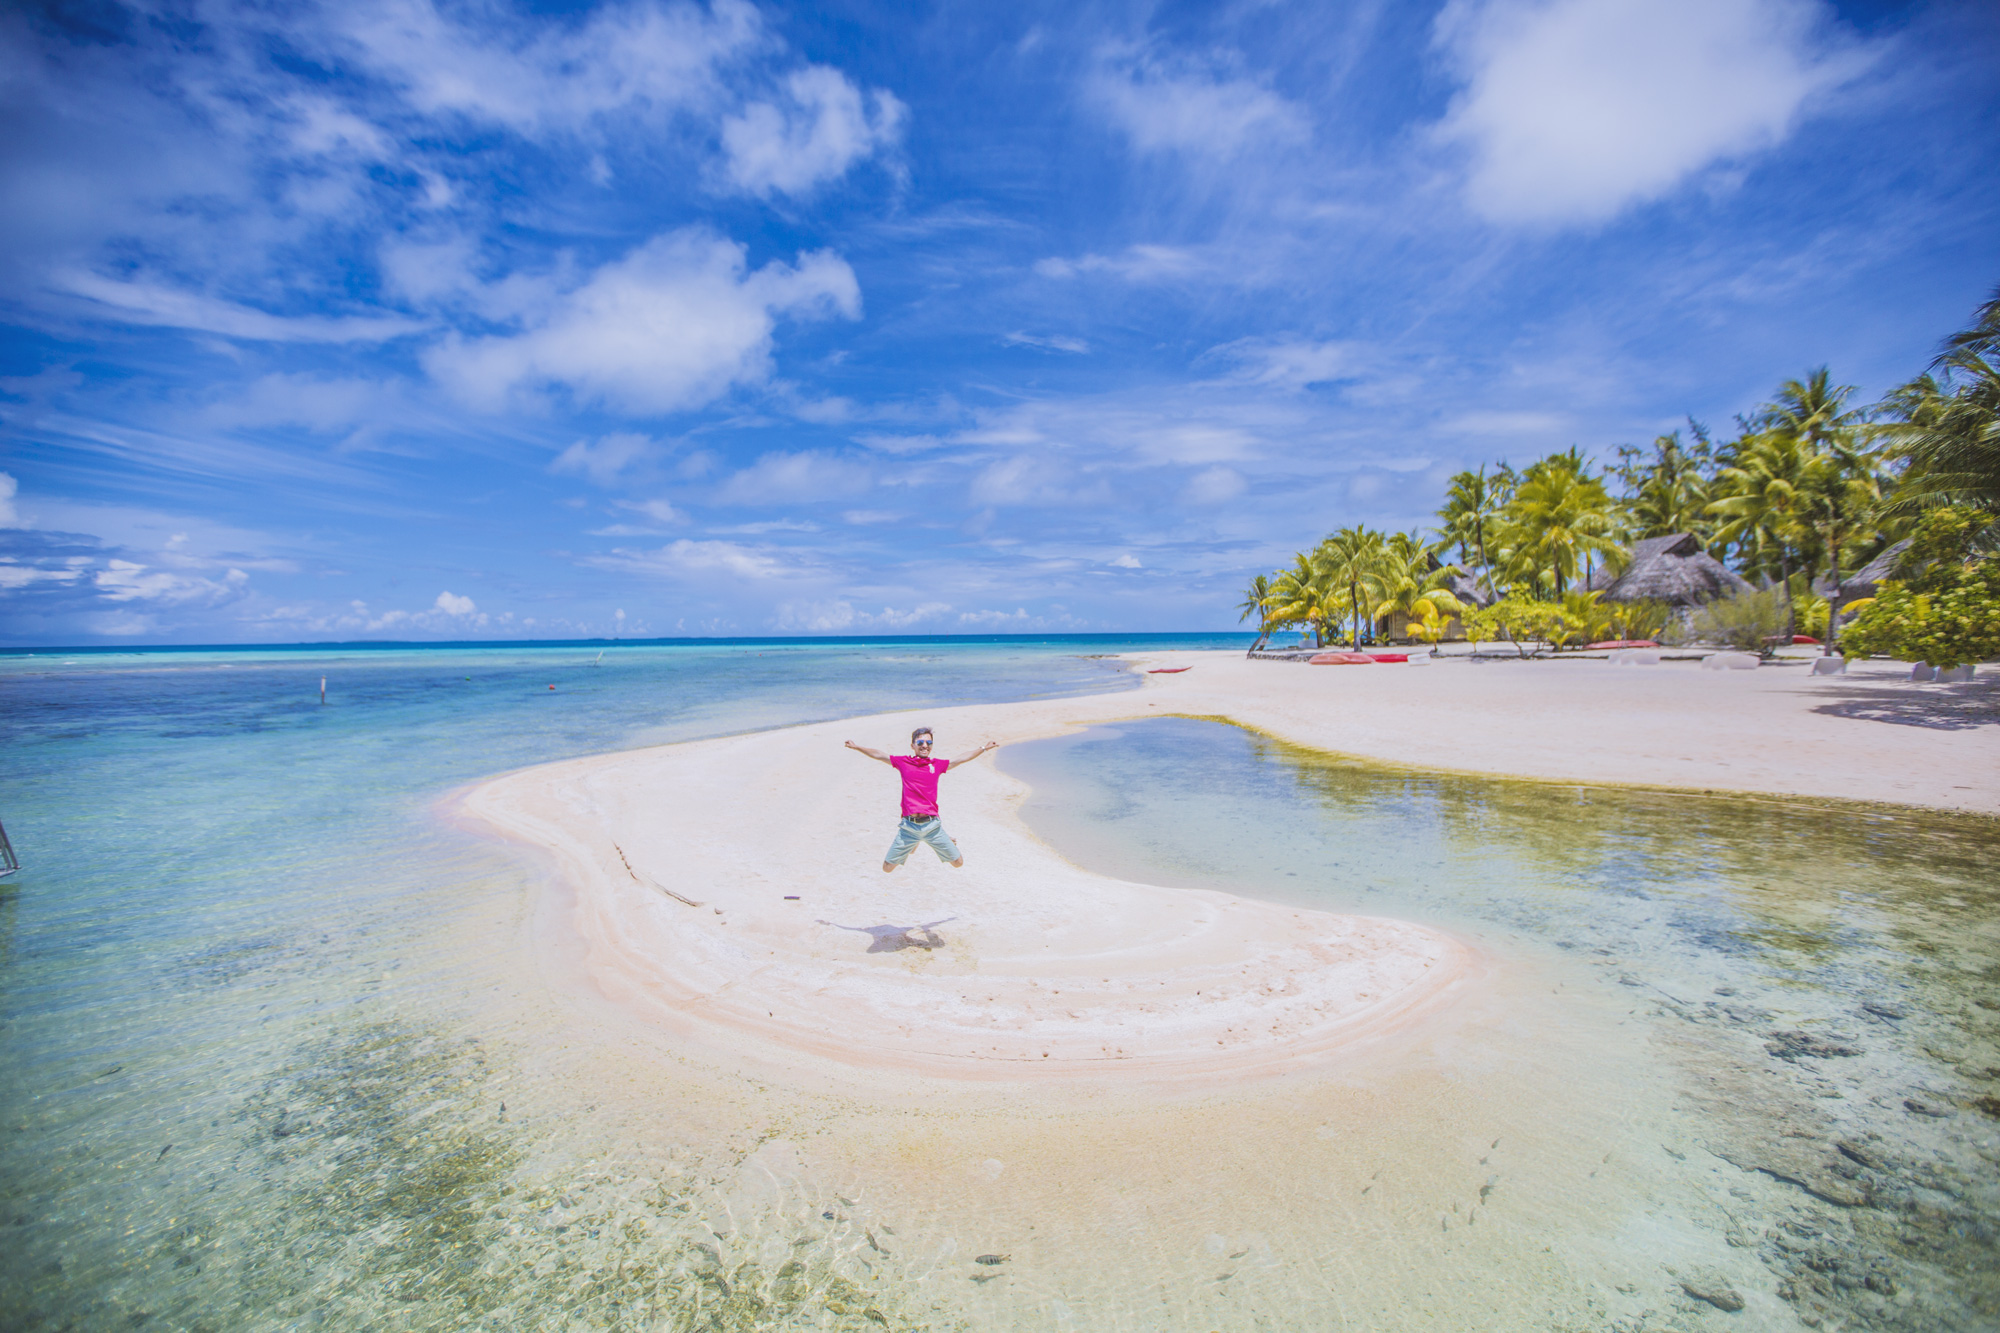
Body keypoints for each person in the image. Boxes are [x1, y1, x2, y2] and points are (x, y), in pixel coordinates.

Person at [844, 727, 998, 872]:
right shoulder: (903, 762)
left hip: (932, 826)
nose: (925, 745)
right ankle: (916, 841)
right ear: (913, 745)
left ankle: (937, 839)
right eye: (920, 742)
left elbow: (961, 758)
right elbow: (879, 754)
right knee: (887, 868)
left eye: (929, 742)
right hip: (909, 827)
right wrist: (857, 747)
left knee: (958, 863)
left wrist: (984, 748)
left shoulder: (936, 765)